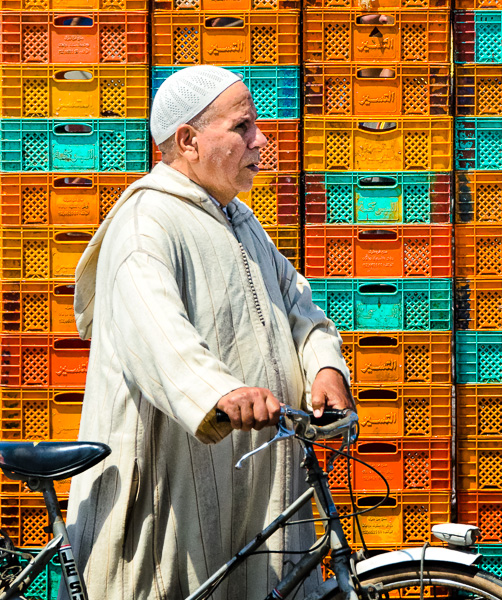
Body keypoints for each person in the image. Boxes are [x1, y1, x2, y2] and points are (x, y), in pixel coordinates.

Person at [61, 65, 353, 600]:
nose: (260, 140)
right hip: (169, 489)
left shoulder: (240, 220)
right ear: (188, 141)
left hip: (249, 476)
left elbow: (297, 306)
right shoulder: (146, 222)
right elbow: (157, 333)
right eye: (242, 127)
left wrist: (325, 365)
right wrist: (221, 393)